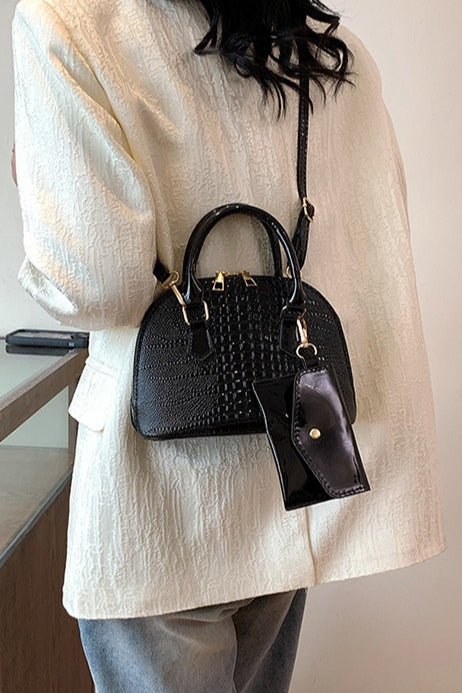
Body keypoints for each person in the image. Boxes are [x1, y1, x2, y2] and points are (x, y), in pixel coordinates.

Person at [12, 0, 446, 690]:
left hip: (159, 502)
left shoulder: (70, 24)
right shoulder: (327, 53)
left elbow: (94, 282)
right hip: (288, 468)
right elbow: (376, 249)